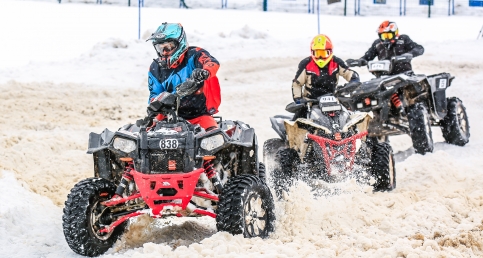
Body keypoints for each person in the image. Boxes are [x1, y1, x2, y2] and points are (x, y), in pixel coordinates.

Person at [145, 22, 221, 130]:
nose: (165, 52)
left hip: (198, 116)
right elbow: (153, 95)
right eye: (161, 48)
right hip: (166, 118)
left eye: (169, 47)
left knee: (215, 139)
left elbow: (212, 62)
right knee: (143, 135)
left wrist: (204, 72)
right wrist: (158, 103)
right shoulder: (155, 68)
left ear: (179, 43)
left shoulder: (195, 55)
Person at [291, 34, 360, 119]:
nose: (320, 57)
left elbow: (348, 73)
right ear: (312, 52)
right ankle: (290, 130)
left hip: (332, 99)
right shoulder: (306, 64)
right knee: (298, 121)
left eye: (323, 53)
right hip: (311, 101)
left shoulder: (336, 62)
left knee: (349, 115)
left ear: (330, 52)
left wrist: (354, 80)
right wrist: (298, 99)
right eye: (317, 53)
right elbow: (297, 83)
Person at [347, 21, 424, 75]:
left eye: (388, 36)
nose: (386, 39)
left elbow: (419, 48)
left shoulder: (403, 39)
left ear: (395, 33)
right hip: (383, 76)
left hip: (404, 73)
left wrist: (409, 54)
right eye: (383, 36)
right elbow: (368, 57)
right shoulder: (377, 44)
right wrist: (359, 61)